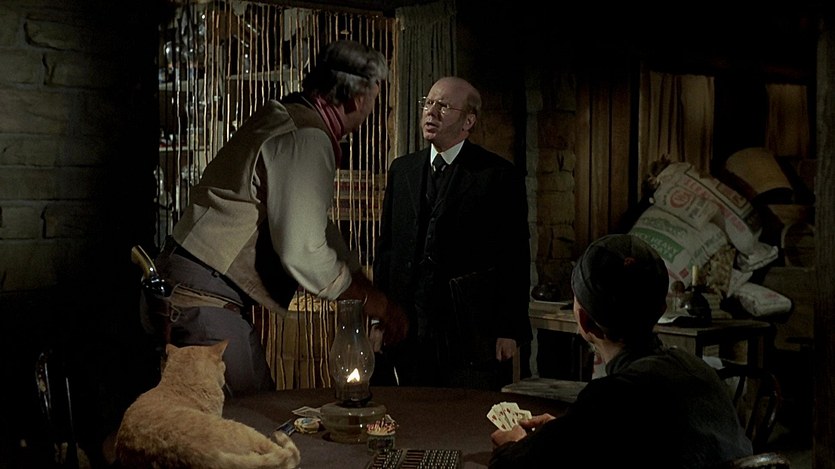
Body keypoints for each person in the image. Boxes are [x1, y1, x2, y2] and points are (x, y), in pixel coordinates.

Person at [140, 40, 408, 396]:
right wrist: (377, 303)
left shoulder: (286, 115)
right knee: (251, 418)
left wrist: (357, 276)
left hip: (196, 293)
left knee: (255, 411)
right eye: (376, 94)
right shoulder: (306, 137)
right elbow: (303, 251)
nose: (375, 104)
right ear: (359, 98)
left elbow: (311, 221)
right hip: (204, 301)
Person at [488, 234, 754, 468]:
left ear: (584, 321)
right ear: (661, 309)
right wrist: (564, 432)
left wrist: (515, 445)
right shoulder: (700, 371)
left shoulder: (611, 399)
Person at [373, 76, 531, 390]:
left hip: (467, 332)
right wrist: (379, 317)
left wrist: (509, 330)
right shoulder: (402, 170)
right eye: (428, 103)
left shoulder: (497, 176)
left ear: (468, 121)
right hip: (407, 329)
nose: (431, 112)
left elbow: (514, 258)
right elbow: (387, 251)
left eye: (444, 106)